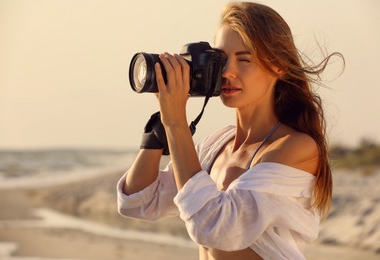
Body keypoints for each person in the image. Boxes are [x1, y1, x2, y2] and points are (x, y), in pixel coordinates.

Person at [117, 2, 343, 259]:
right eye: (221, 60)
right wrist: (162, 121)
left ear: (278, 66)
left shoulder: (296, 147)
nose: (227, 72)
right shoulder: (216, 145)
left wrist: (177, 123)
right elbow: (138, 201)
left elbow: (218, 227)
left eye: (244, 59)